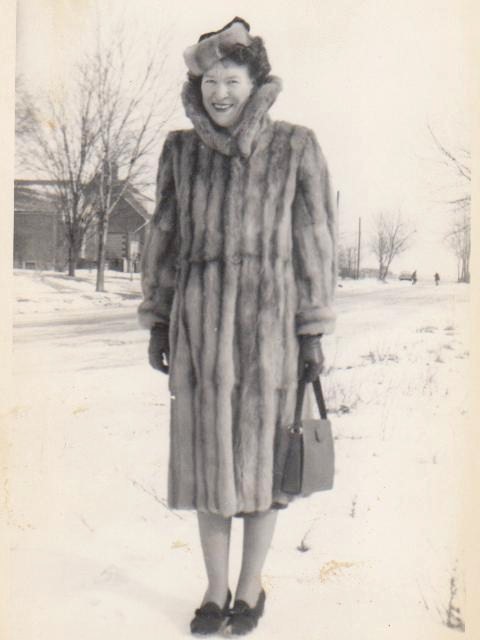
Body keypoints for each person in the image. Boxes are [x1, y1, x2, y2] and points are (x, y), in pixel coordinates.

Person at [138, 17, 337, 636]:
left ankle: (250, 588)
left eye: (231, 78)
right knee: (206, 465)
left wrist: (311, 330)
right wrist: (159, 319)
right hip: (198, 330)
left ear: (255, 82)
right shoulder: (179, 151)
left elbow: (315, 242)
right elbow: (163, 240)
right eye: (209, 81)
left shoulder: (295, 146)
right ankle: (214, 588)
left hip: (269, 331)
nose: (219, 92)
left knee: (264, 467)